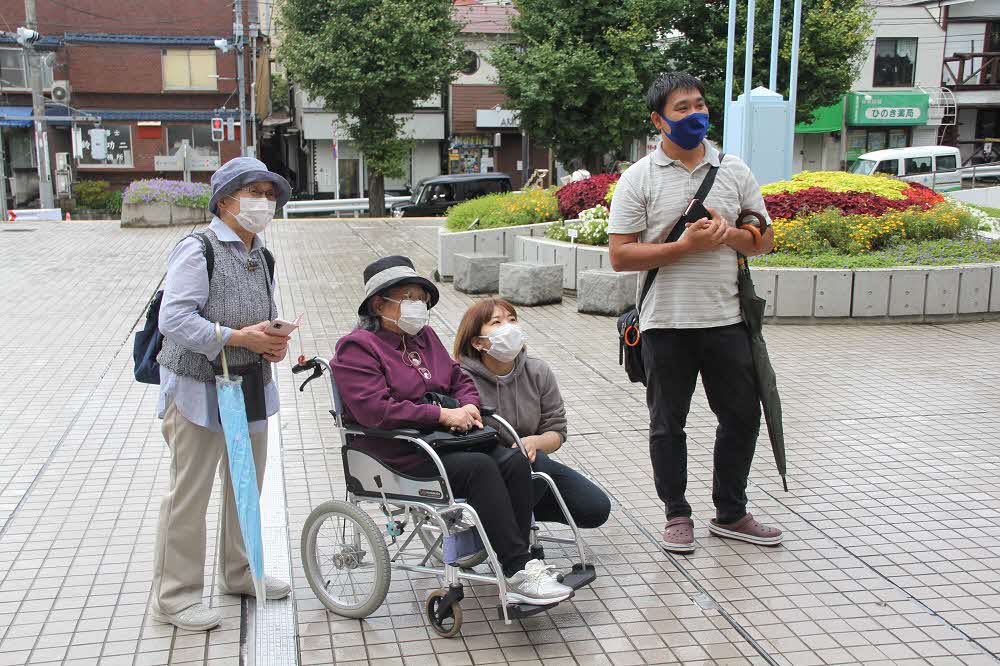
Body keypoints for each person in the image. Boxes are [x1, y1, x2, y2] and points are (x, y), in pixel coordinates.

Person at [330, 256, 573, 605]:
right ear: (378, 304)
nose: (419, 305)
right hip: (400, 452)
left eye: (421, 298)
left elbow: (459, 379)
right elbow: (374, 410)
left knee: (513, 459)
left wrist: (468, 405)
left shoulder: (424, 337)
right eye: (408, 297)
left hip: (445, 443)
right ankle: (518, 568)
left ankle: (521, 565)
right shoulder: (357, 348)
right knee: (481, 468)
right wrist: (441, 415)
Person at [607, 72, 782, 554]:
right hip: (665, 323)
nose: (694, 115)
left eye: (700, 105)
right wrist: (684, 247)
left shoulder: (734, 169)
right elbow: (620, 256)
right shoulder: (638, 178)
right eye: (681, 108)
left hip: (727, 320)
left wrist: (729, 236)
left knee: (742, 418)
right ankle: (676, 514)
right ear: (658, 120)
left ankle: (731, 511)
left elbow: (764, 240)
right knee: (668, 424)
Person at [152, 157, 293, 631]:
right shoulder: (199, 248)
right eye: (255, 191)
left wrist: (270, 342)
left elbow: (262, 313)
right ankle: (176, 596)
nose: (264, 202)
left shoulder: (262, 252)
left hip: (250, 385)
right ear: (226, 199)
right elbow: (173, 319)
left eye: (270, 194)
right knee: (188, 495)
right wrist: (238, 338)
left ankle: (239, 572)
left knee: (245, 486)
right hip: (197, 387)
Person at [454, 298, 611, 530]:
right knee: (538, 464)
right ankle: (511, 538)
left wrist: (535, 442)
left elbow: (557, 430)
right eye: (496, 322)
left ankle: (508, 515)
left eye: (512, 320)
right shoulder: (460, 377)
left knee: (595, 507)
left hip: (532, 463)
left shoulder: (538, 371)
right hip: (485, 468)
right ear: (478, 342)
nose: (508, 327)